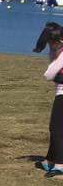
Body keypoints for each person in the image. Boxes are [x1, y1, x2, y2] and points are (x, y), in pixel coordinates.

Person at [35, 22, 63, 177]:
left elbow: (49, 74)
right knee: (56, 128)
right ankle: (49, 161)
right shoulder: (57, 51)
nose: (51, 46)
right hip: (60, 92)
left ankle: (60, 165)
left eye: (52, 43)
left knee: (57, 129)